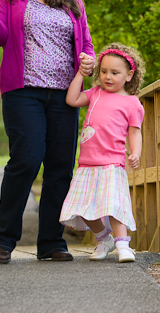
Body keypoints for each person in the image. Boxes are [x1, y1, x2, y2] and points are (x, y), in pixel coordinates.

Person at [0, 0, 95, 264]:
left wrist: (88, 61)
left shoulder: (72, 1)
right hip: (22, 92)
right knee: (26, 160)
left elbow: (86, 45)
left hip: (64, 96)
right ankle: (3, 239)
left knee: (60, 167)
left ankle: (51, 243)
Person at [60, 43, 146, 262]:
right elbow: (72, 100)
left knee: (113, 204)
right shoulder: (96, 93)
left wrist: (135, 153)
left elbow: (135, 132)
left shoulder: (132, 103)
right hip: (87, 163)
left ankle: (123, 245)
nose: (108, 77)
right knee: (83, 207)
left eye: (115, 73)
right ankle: (103, 238)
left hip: (112, 162)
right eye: (104, 71)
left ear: (129, 75)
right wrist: (80, 73)